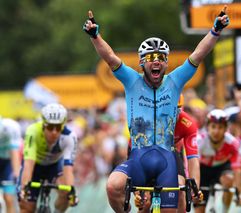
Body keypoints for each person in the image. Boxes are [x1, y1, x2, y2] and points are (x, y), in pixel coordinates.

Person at [83, 6, 229, 212]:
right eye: (151, 58)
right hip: (138, 157)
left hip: (166, 159)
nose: (156, 62)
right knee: (112, 186)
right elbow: (110, 57)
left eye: (161, 57)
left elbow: (199, 53)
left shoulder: (175, 81)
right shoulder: (131, 80)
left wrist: (216, 30)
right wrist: (95, 36)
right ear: (142, 63)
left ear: (166, 63)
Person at [134, 95, 202, 212]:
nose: (171, 115)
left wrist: (194, 189)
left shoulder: (188, 124)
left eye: (176, 111)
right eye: (167, 110)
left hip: (172, 153)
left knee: (180, 191)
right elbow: (133, 155)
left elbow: (193, 159)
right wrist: (137, 193)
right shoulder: (145, 121)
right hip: (146, 152)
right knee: (145, 202)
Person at [18, 103, 78, 213]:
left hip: (54, 166)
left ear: (63, 125)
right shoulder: (33, 132)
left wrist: (71, 192)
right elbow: (28, 164)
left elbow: (68, 168)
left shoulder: (69, 137)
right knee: (27, 206)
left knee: (66, 193)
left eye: (58, 127)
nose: (54, 132)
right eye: (50, 127)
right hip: (35, 166)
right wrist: (24, 188)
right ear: (43, 125)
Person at [195, 109, 241, 213]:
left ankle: (225, 210)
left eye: (220, 127)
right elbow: (193, 165)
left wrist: (239, 193)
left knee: (228, 180)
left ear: (226, 128)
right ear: (207, 127)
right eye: (213, 127)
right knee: (199, 210)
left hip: (221, 167)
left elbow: (237, 168)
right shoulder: (199, 140)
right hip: (202, 170)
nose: (216, 131)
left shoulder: (232, 143)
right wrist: (194, 187)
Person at [0, 117, 22, 213]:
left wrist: (17, 176)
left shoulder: (11, 127)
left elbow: (14, 153)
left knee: (9, 199)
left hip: (8, 162)